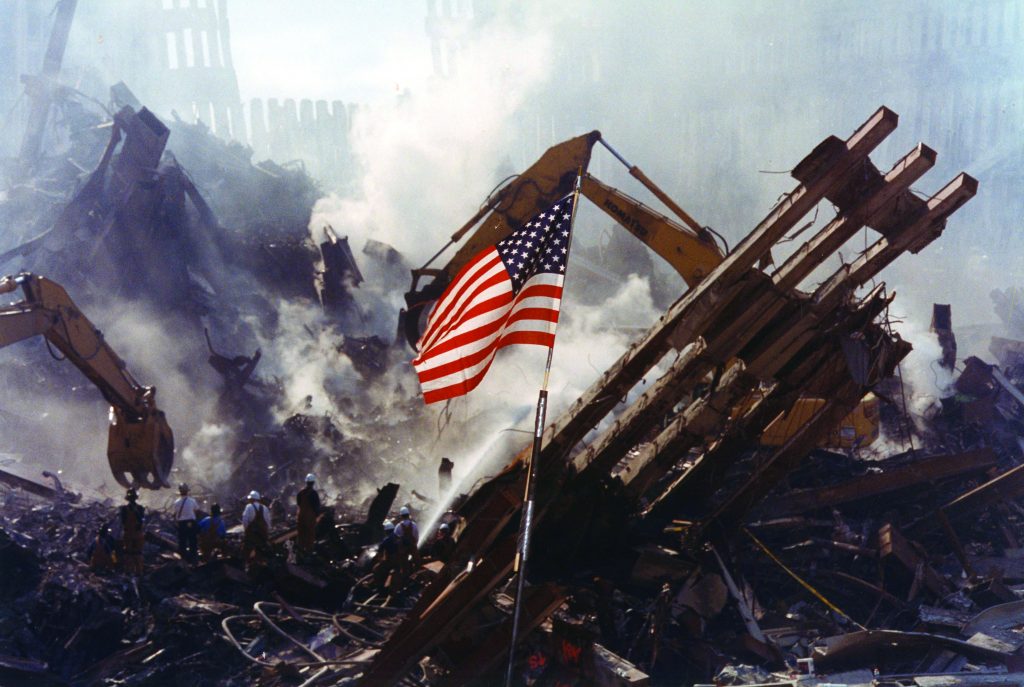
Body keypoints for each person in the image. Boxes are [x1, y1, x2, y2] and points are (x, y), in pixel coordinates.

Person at [242, 490, 272, 568]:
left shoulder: (248, 507)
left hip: (251, 536)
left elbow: (245, 520)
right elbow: (268, 521)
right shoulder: (264, 508)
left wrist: (246, 531)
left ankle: (247, 566)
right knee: (262, 552)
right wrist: (267, 532)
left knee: (246, 552)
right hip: (262, 535)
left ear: (251, 499)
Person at [119, 488, 145, 575]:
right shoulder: (140, 508)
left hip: (128, 533)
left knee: (128, 553)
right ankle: (139, 571)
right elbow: (142, 521)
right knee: (138, 552)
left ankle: (128, 571)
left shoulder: (123, 509)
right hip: (138, 534)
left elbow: (122, 521)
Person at [173, 483, 199, 563]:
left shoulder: (176, 502)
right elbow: (196, 511)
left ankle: (184, 561)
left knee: (182, 543)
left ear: (180, 492)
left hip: (181, 524)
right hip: (191, 523)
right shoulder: (192, 501)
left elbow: (175, 514)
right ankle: (194, 560)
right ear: (187, 491)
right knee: (193, 542)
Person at [295, 473, 321, 555]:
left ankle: (300, 552)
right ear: (313, 483)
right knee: (310, 536)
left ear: (306, 482)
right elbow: (316, 506)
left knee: (301, 535)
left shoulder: (300, 493)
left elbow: (298, 504)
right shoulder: (314, 493)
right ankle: (309, 553)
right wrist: (317, 515)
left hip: (300, 516)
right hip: (309, 518)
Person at [371, 519, 399, 593]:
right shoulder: (399, 537)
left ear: (386, 531)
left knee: (376, 569)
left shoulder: (386, 540)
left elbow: (380, 553)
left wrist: (379, 560)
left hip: (391, 561)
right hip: (401, 560)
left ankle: (380, 588)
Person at [393, 506, 420, 577]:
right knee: (417, 561)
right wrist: (414, 545)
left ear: (401, 516)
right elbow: (417, 537)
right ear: (408, 515)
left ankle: (405, 576)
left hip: (403, 549)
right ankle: (417, 573)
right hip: (412, 547)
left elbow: (395, 539)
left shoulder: (398, 526)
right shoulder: (414, 525)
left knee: (404, 564)